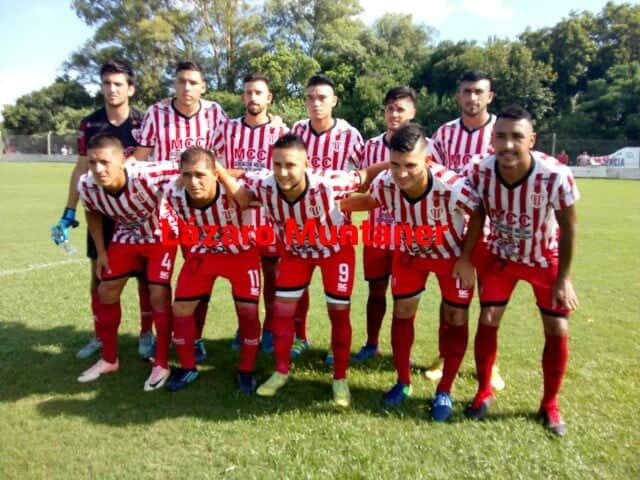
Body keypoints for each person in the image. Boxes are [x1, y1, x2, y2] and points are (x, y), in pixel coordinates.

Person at [218, 133, 388, 407]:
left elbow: (365, 175)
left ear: (306, 164)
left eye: (290, 165)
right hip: (296, 254)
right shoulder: (264, 183)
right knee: (283, 312)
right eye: (277, 165)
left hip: (335, 252)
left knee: (338, 313)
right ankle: (281, 371)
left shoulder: (329, 183)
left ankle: (340, 378)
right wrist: (216, 168)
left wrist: (395, 163)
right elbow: (242, 190)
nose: (283, 172)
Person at [341, 123, 480, 421]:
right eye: (395, 164)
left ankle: (444, 390)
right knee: (402, 311)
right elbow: (368, 200)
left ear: (427, 161)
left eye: (410, 165)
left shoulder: (451, 185)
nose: (401, 173)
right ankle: (403, 381)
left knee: (457, 316)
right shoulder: (386, 182)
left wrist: (467, 258)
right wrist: (332, 202)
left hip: (451, 257)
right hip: (411, 253)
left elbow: (479, 212)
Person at [456, 105, 579, 436]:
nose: (508, 144)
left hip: (544, 257)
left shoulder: (555, 174)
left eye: (516, 137)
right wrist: (466, 257)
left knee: (557, 327)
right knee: (488, 319)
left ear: (532, 140)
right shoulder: (479, 170)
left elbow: (569, 227)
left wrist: (564, 277)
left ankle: (549, 405)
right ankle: (483, 391)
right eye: (500, 136)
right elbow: (477, 215)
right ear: (491, 139)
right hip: (502, 256)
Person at [51, 60, 155, 361]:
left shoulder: (143, 122)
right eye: (107, 84)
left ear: (130, 89)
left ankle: (146, 333)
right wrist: (69, 211)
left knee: (147, 278)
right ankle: (101, 335)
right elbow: (82, 167)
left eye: (118, 84)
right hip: (101, 210)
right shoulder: (90, 123)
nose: (112, 89)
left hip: (138, 213)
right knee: (99, 273)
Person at [130, 60, 229, 363]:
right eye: (181, 82)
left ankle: (194, 337)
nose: (187, 88)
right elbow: (140, 159)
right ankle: (153, 335)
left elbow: (222, 161)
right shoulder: (156, 113)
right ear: (174, 84)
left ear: (203, 86)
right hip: (161, 212)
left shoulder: (215, 114)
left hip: (199, 213)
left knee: (200, 275)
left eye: (193, 82)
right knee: (155, 279)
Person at [76, 133, 179, 390]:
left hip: (161, 234)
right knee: (106, 290)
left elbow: (190, 166)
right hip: (127, 234)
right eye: (93, 162)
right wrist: (101, 252)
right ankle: (109, 359)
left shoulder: (146, 173)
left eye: (105, 162)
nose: (98, 169)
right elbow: (92, 213)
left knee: (158, 293)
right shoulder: (87, 185)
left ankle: (162, 363)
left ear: (122, 160)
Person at [427, 70, 504, 391]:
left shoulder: (502, 132)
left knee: (491, 302)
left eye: (478, 92)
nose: (472, 98)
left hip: (493, 229)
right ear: (458, 96)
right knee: (451, 297)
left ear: (489, 97)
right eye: (466, 92)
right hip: (453, 228)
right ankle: (445, 356)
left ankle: (491, 363)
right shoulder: (444, 134)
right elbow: (433, 174)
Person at [161, 147, 262, 393]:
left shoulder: (235, 189)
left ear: (215, 173)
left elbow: (250, 197)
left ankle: (246, 370)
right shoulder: (173, 193)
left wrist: (225, 176)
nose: (193, 182)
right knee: (181, 309)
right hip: (203, 253)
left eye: (200, 175)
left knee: (248, 313)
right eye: (187, 175)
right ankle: (187, 368)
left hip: (241, 255)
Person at [207, 73, 288, 353]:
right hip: (235, 214)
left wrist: (236, 173)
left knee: (272, 272)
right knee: (241, 272)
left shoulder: (280, 132)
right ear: (243, 97)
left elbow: (283, 171)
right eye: (248, 93)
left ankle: (270, 328)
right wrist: (241, 173)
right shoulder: (227, 129)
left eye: (258, 93)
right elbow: (209, 162)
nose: (253, 98)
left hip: (269, 214)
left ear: (269, 98)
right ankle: (245, 326)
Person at [289, 74, 364, 362]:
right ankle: (300, 337)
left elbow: (363, 180)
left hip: (337, 231)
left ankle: (337, 344)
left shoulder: (350, 135)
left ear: (333, 101)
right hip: (299, 229)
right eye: (310, 97)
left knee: (338, 298)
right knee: (298, 290)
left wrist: (339, 202)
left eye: (322, 97)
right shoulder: (297, 130)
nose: (315, 103)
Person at [351, 86, 417, 363]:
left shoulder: (424, 145)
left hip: (409, 235)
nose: (394, 114)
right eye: (390, 108)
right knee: (375, 292)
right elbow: (363, 184)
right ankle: (371, 344)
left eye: (401, 109)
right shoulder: (370, 145)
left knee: (405, 299)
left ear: (412, 113)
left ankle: (402, 352)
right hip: (377, 233)